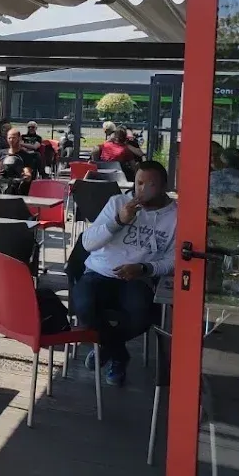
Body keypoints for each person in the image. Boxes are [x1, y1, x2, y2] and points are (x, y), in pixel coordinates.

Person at [72, 161, 177, 386]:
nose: (143, 190)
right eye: (139, 183)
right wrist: (118, 221)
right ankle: (118, 354)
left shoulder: (175, 216)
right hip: (99, 271)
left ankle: (107, 347)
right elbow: (88, 242)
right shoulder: (118, 202)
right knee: (82, 308)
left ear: (164, 186)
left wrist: (145, 268)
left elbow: (173, 259)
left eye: (151, 185)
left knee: (142, 316)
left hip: (137, 277)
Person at [0, 127, 42, 195]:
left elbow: (27, 172)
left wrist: (26, 176)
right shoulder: (0, 153)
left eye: (14, 138)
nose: (11, 140)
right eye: (9, 138)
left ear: (19, 139)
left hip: (18, 190)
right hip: (1, 188)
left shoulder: (26, 156)